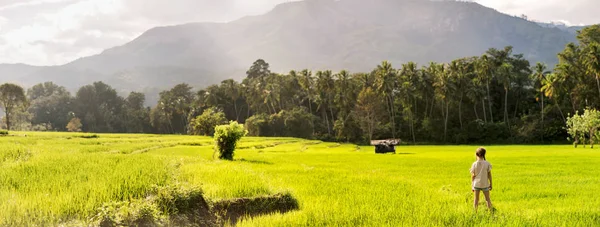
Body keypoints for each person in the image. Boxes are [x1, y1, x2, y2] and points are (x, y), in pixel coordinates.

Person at [470, 147, 493, 212]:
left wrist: (472, 185)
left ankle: (475, 212)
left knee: (476, 200)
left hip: (476, 184)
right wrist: (491, 184)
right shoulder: (487, 163)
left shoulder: (474, 164)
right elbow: (489, 175)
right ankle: (491, 212)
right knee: (488, 199)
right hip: (485, 184)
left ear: (476, 154)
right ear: (484, 154)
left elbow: (473, 176)